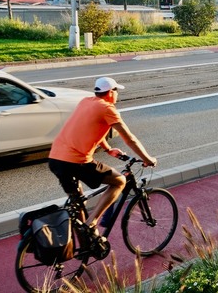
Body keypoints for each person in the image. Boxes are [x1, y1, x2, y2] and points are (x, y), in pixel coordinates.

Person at [47, 77, 157, 231]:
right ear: (111, 92)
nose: (117, 94)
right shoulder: (107, 109)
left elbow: (88, 128)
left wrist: (108, 148)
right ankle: (91, 223)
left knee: (78, 202)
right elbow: (130, 139)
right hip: (76, 161)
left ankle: (85, 242)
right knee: (119, 181)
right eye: (116, 91)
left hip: (55, 159)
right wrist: (148, 159)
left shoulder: (86, 101)